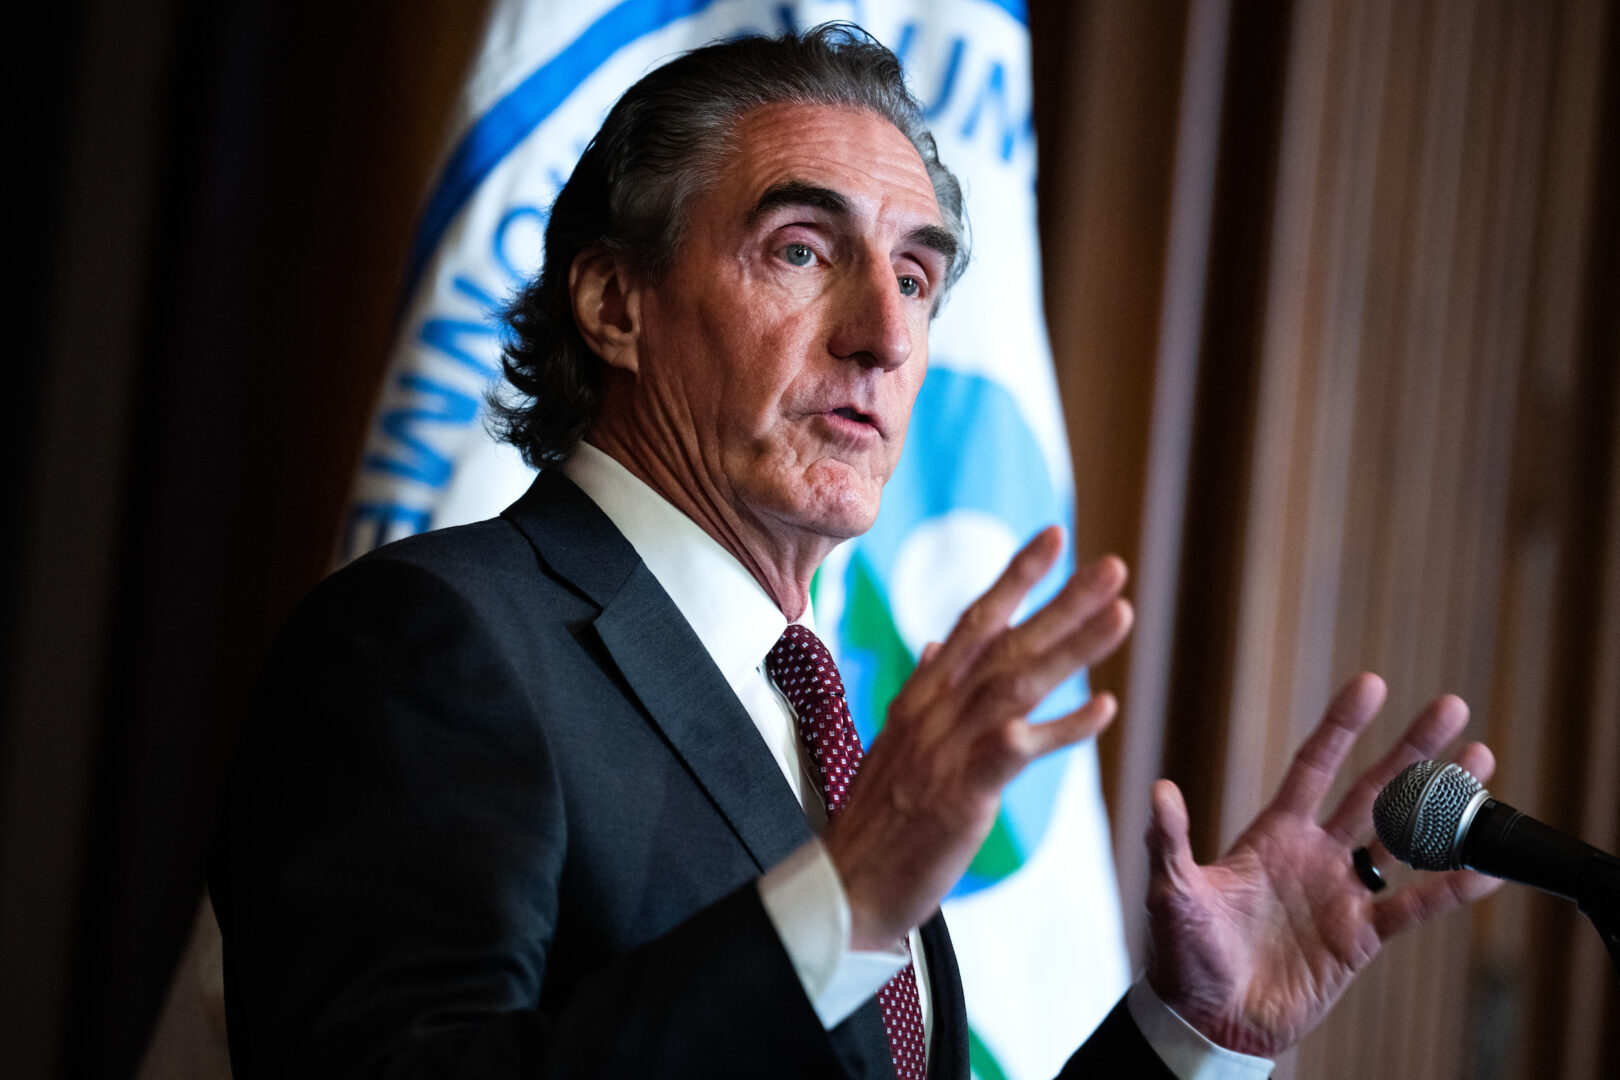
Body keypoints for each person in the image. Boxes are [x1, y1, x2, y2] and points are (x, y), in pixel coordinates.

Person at [211, 24, 1500, 1079]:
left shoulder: (820, 715)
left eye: (921, 276)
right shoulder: (435, 643)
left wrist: (1190, 1035)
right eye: (803, 250)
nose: (884, 335)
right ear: (614, 303)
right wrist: (850, 897)